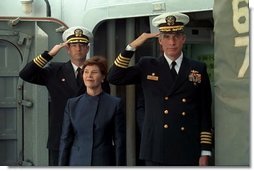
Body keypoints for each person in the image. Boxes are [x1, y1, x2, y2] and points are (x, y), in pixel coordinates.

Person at [108, 12, 213, 166]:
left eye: (176, 36)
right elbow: (114, 77)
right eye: (167, 37)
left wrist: (205, 151)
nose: (172, 42)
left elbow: (205, 111)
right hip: (155, 146)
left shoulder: (197, 68)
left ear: (183, 39)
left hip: (188, 146)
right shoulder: (147, 65)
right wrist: (132, 46)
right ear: (160, 41)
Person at [19, 26, 110, 166]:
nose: (78, 49)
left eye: (82, 45)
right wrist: (49, 55)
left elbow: (105, 105)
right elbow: (26, 74)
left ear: (87, 48)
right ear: (68, 49)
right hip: (60, 138)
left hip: (89, 139)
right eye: (73, 45)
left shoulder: (96, 73)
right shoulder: (55, 70)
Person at [58, 56, 126, 166]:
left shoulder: (114, 104)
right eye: (86, 72)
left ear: (103, 77)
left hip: (103, 162)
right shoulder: (72, 104)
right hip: (77, 162)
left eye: (94, 72)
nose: (89, 76)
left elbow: (120, 142)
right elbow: (65, 140)